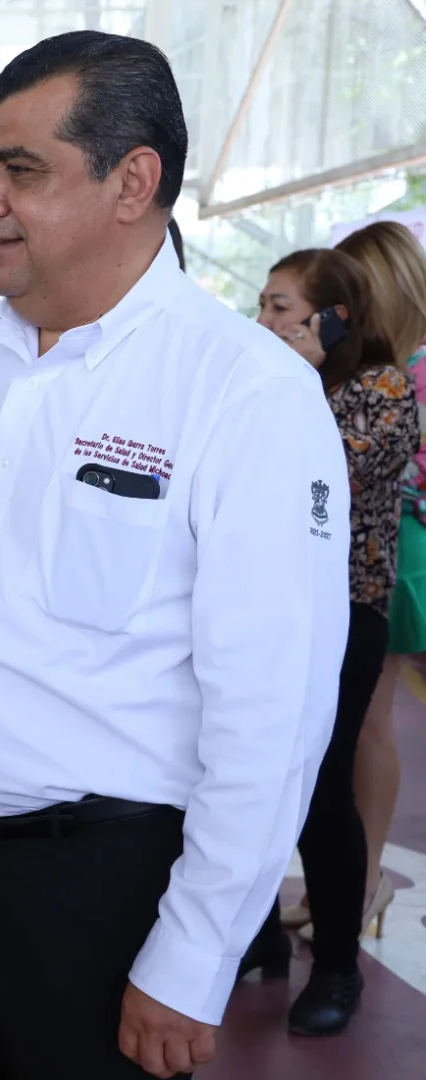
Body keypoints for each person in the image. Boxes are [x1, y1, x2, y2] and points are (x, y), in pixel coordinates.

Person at [0, 31, 350, 1080]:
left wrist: (194, 953)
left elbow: (272, 709)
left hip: (97, 895)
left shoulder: (243, 389)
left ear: (132, 182)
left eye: (20, 170)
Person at [241, 247, 416, 1035]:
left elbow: (318, 485)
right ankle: (253, 935)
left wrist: (294, 377)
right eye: (263, 304)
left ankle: (337, 965)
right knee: (243, 771)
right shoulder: (265, 380)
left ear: (333, 317)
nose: (264, 320)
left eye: (280, 307)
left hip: (342, 611)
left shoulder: (381, 391)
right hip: (259, 605)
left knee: (321, 784)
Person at [311, 220, 426, 941]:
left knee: (367, 720)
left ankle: (363, 879)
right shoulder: (356, 366)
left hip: (394, 550)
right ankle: (348, 879)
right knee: (348, 722)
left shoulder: (400, 374)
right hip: (366, 547)